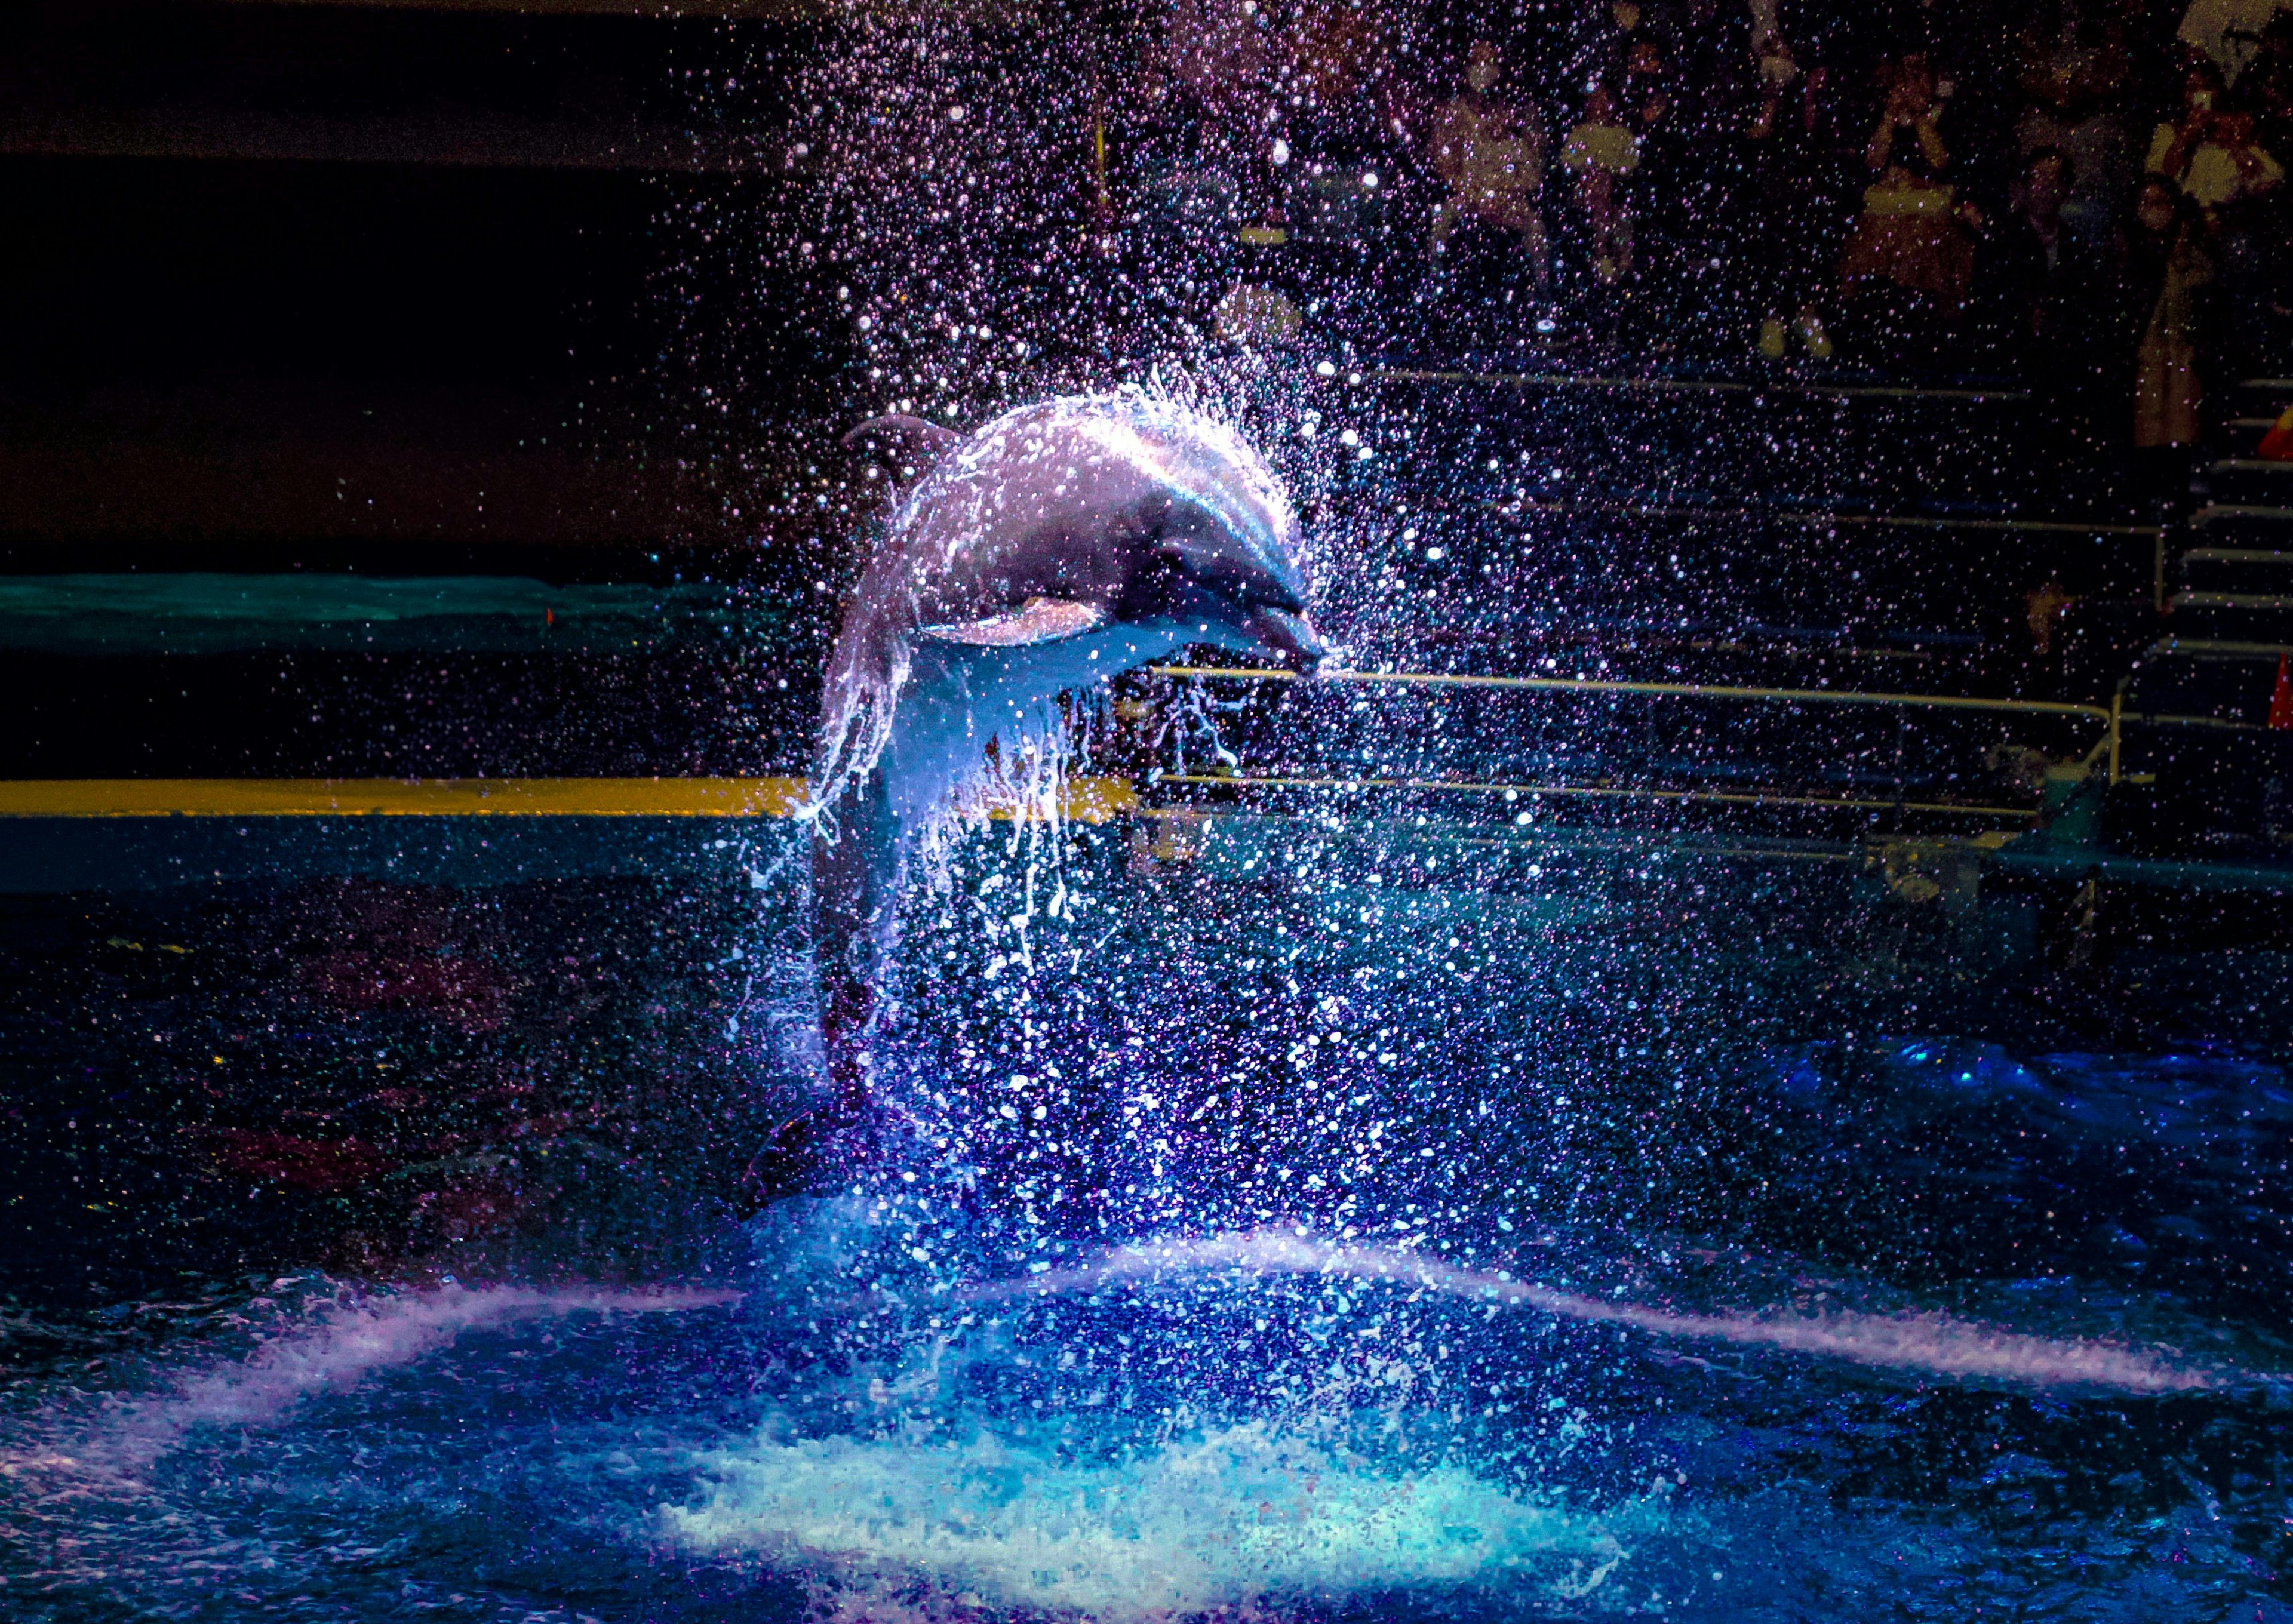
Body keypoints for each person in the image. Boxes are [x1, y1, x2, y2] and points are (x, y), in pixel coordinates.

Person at [1839, 53, 1983, 365]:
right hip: (1885, 212)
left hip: (1932, 215)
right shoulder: (1877, 114)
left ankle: (1923, 340)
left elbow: (1942, 163)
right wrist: (1891, 114)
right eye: (1904, 76)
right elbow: (1872, 162)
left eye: (1920, 76)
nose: (1911, 85)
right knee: (1877, 236)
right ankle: (1874, 335)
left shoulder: (1950, 113)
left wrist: (1919, 119)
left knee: (1919, 240)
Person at [1741, 32, 1851, 358]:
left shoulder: (1807, 92)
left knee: (1805, 226)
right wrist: (1770, 98)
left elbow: (1817, 137)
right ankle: (1773, 317)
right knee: (1774, 227)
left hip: (1804, 183)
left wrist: (1808, 96)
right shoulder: (1754, 90)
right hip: (1762, 185)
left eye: (1785, 52)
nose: (1780, 60)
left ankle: (1806, 314)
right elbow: (1755, 135)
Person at [1428, 40, 1551, 284]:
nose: (1483, 68)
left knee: (1536, 231)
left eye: (1490, 61)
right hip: (1471, 196)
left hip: (1510, 200)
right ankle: (1435, 275)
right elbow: (1451, 167)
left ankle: (1542, 286)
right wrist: (1476, 195)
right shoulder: (1455, 116)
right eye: (1477, 61)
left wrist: (1506, 193)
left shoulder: (1518, 134)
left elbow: (1532, 173)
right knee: (1441, 222)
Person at [2126, 174, 2214, 459]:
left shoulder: (2193, 252)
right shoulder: (2128, 251)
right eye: (2144, 203)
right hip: (2142, 355)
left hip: (2182, 355)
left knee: (2180, 427)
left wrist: (2179, 262)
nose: (2151, 209)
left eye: (2159, 202)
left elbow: (2205, 299)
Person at [1562, 82, 1643, 289]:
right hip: (1588, 189)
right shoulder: (1580, 132)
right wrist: (1592, 171)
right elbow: (1569, 162)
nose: (1599, 104)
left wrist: (1609, 172)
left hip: (1616, 190)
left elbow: (1631, 166)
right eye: (1595, 99)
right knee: (1599, 200)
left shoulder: (1622, 134)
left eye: (1604, 99)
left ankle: (1620, 259)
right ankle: (1602, 255)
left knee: (1616, 209)